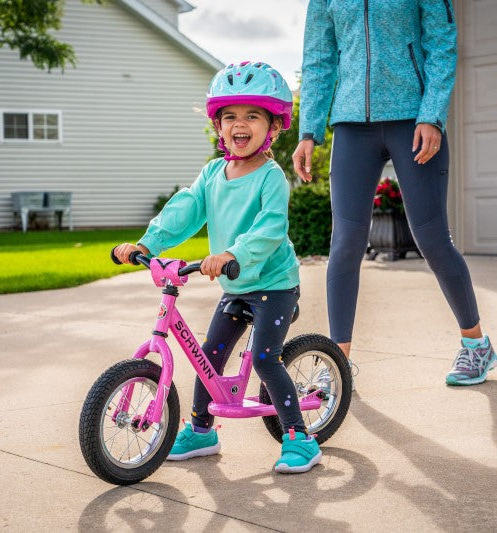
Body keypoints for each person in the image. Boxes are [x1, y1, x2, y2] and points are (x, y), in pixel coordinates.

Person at [115, 62, 322, 473]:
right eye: (230, 117)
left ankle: (300, 436)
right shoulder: (213, 172)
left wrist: (232, 254)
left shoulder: (270, 178)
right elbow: (186, 210)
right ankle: (202, 431)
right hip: (236, 285)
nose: (239, 125)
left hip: (274, 284)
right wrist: (147, 244)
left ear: (274, 128)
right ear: (219, 125)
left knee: (264, 359)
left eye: (252, 116)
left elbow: (270, 228)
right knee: (208, 356)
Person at [292, 1, 496, 386]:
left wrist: (432, 114)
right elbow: (319, 60)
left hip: (413, 119)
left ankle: (476, 345)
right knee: (346, 241)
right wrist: (309, 131)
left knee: (431, 237)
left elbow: (441, 42)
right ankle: (338, 364)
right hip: (352, 124)